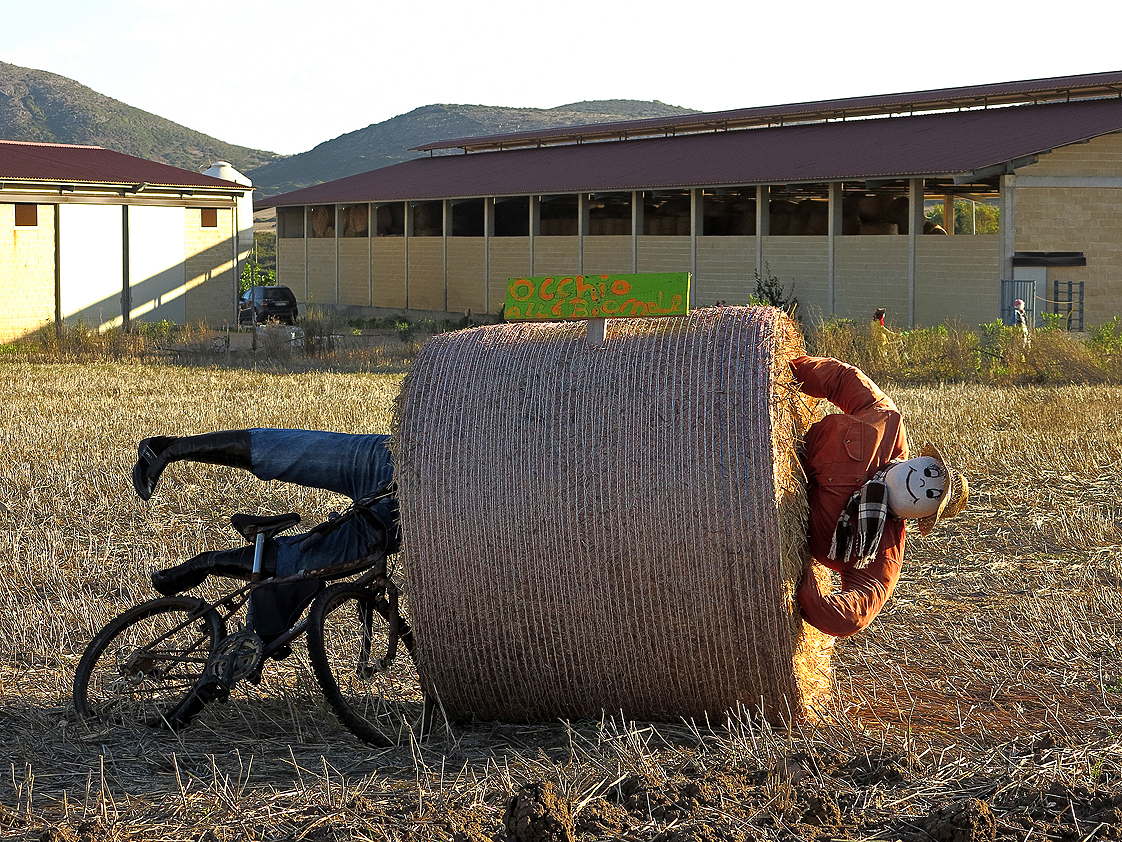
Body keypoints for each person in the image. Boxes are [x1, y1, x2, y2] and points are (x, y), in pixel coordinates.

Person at [791, 356, 969, 637]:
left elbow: (849, 617)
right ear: (923, 458)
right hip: (776, 447)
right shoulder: (887, 422)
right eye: (932, 472)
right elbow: (841, 378)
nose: (923, 482)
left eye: (933, 494)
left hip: (774, 527)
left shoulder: (882, 552)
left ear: (924, 517)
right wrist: (784, 371)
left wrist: (794, 573)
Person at [132, 430, 397, 595]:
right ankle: (166, 449)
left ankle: (206, 563)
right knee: (285, 454)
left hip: (399, 523)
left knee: (298, 562)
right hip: (395, 463)